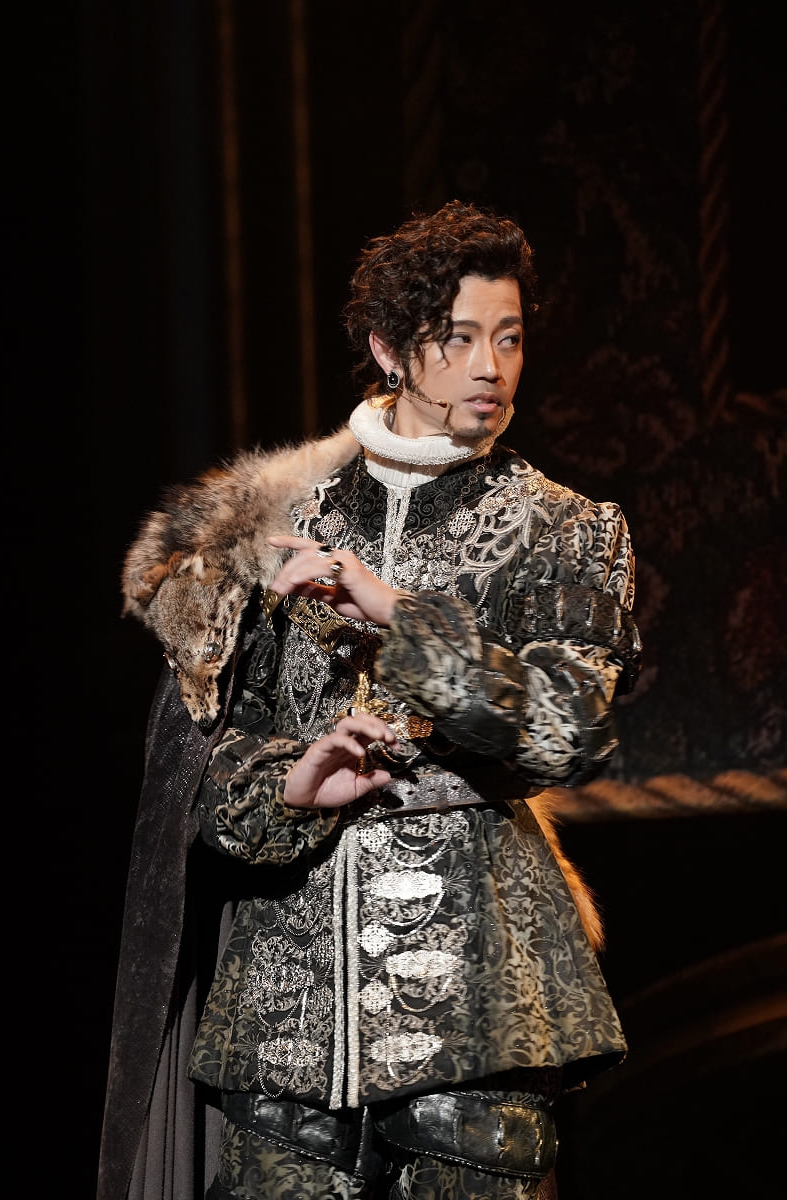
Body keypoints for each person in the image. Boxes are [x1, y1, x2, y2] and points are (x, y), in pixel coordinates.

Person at [98, 199, 641, 1200]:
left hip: (481, 1005)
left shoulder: (563, 527)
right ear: (390, 349)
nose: (490, 367)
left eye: (510, 337)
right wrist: (289, 785)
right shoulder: (269, 525)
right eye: (458, 339)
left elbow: (571, 732)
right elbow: (201, 774)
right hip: (287, 1013)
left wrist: (398, 615)